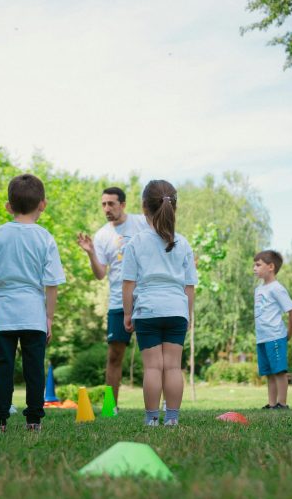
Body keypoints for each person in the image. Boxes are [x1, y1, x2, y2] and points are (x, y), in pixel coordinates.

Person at [0, 174, 65, 432]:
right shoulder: (45, 238)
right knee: (34, 370)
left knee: (2, 370)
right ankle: (34, 420)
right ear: (43, 204)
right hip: (34, 314)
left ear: (8, 206)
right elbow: (52, 283)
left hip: (4, 314)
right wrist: (49, 318)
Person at [122, 179, 197, 427]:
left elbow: (128, 284)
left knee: (153, 368)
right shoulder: (183, 243)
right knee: (173, 367)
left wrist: (127, 314)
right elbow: (189, 286)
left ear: (144, 208)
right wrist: (188, 316)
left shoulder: (135, 243)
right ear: (173, 207)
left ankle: (152, 419)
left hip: (148, 310)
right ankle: (172, 419)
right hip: (176, 310)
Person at [75, 187, 149, 414]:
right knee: (114, 355)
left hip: (147, 297)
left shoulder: (142, 223)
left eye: (111, 204)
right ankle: (111, 406)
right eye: (104, 204)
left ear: (123, 204)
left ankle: (161, 405)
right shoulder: (101, 236)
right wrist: (90, 252)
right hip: (119, 301)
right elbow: (100, 273)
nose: (107, 209)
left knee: (154, 353)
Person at [253, 249, 292, 410]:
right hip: (262, 337)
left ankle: (282, 403)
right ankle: (272, 404)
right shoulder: (259, 289)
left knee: (279, 371)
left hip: (275, 336)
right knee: (269, 372)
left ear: (270, 267)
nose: (254, 268)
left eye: (258, 265)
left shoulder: (277, 288)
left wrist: (289, 334)